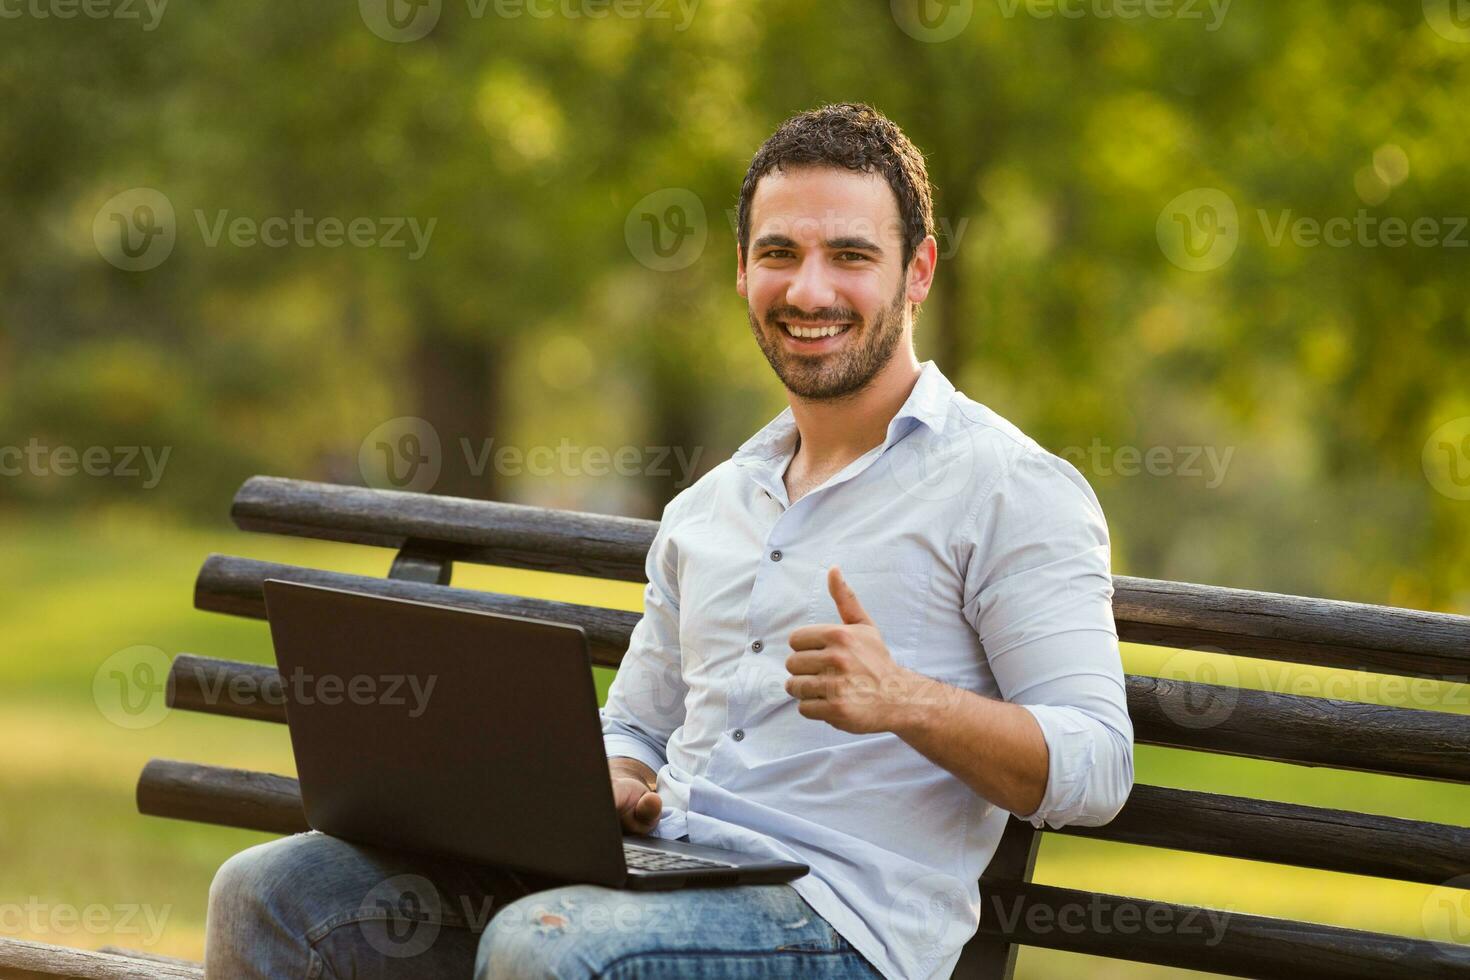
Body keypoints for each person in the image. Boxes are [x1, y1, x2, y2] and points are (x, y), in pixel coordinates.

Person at [204, 102, 1133, 980]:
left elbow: (1097, 764)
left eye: (850, 254)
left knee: (549, 952)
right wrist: (614, 774)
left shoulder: (1010, 488)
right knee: (274, 893)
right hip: (654, 874)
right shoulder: (710, 506)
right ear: (741, 268)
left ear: (918, 271)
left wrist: (908, 701)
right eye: (780, 252)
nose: (809, 288)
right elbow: (639, 723)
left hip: (835, 923)